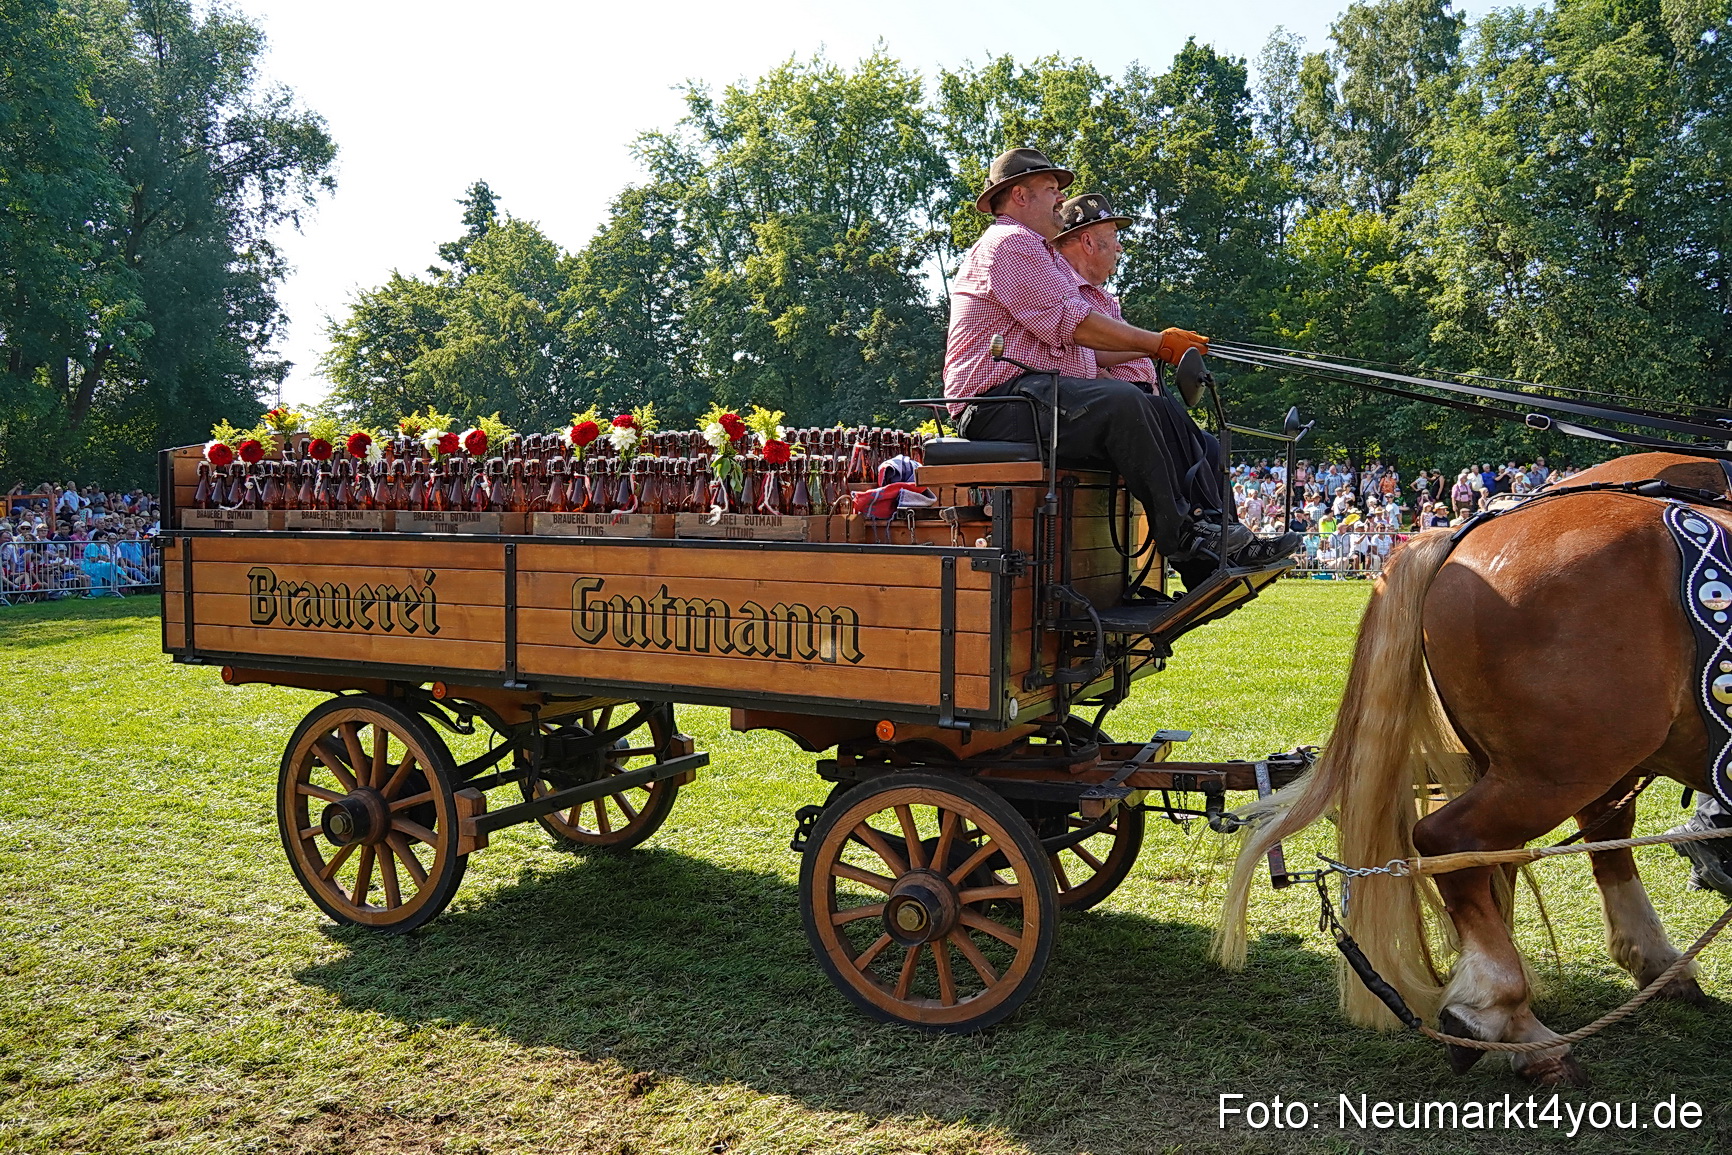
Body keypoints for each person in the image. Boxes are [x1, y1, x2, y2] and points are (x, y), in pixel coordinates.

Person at [944, 149, 1299, 579]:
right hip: (996, 404)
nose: (1060, 199)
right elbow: (1076, 325)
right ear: (1020, 195)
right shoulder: (1009, 243)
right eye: (1052, 190)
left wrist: (1163, 346)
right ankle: (1187, 545)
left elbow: (1088, 348)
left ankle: (1221, 536)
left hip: (1032, 396)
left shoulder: (1038, 253)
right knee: (1125, 402)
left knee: (1158, 407)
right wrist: (1158, 343)